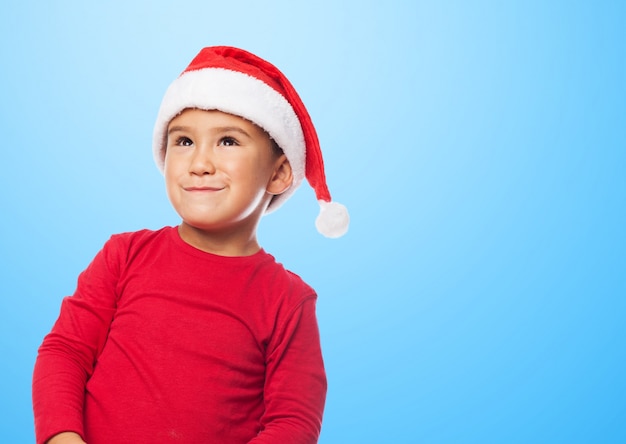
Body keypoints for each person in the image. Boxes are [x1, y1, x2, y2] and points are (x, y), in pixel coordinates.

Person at [32, 46, 349, 444]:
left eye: (228, 142)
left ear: (280, 172)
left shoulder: (288, 301)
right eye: (183, 141)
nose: (199, 162)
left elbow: (293, 424)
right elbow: (64, 352)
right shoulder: (124, 256)